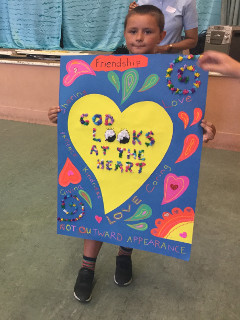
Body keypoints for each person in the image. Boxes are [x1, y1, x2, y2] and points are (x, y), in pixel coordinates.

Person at [48, 5, 216, 303]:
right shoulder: (104, 67)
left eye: (148, 31)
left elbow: (183, 121)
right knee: (96, 205)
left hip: (140, 159)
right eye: (133, 31)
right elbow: (83, 105)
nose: (139, 38)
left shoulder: (176, 72)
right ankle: (87, 267)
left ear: (162, 35)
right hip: (107, 158)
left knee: (140, 203)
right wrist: (63, 114)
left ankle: (124, 254)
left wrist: (201, 129)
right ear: (124, 33)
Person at [129, 0, 198, 53]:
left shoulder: (186, 2)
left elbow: (192, 40)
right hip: (143, 60)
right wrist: (131, 18)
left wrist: (166, 48)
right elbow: (133, 34)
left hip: (171, 63)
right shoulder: (142, 2)